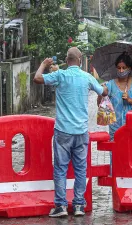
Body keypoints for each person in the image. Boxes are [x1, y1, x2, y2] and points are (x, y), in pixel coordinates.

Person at [34, 47, 108, 217]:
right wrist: (104, 87)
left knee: (60, 169)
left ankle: (60, 206)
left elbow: (37, 78)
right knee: (80, 170)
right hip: (81, 132)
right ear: (80, 61)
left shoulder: (60, 75)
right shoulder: (87, 77)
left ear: (67, 61)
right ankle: (79, 205)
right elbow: (103, 92)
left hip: (63, 132)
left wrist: (44, 64)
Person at [97, 53, 132, 170]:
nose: (121, 70)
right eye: (119, 68)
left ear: (129, 69)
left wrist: (130, 100)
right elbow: (100, 104)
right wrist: (100, 93)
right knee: (117, 157)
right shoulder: (110, 84)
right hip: (116, 128)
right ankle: (116, 181)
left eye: (124, 68)